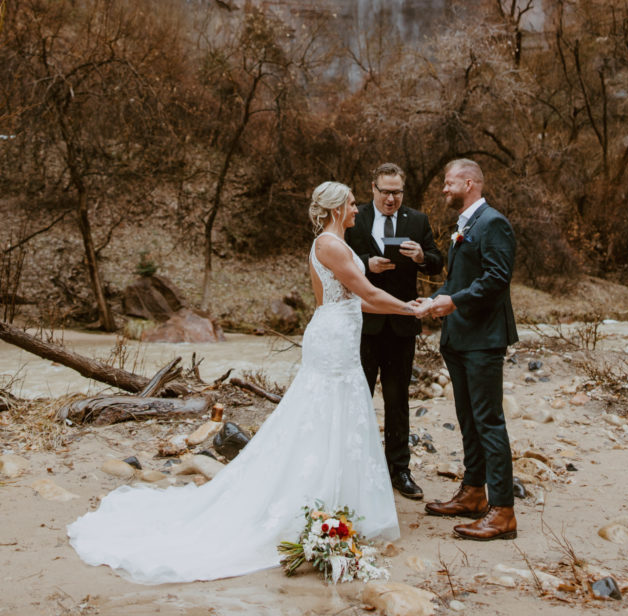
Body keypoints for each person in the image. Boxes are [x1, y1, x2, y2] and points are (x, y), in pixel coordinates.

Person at [68, 181, 431, 583]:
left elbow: (357, 298)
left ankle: (338, 501)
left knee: (342, 415)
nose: (357, 209)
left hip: (342, 332)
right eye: (350, 203)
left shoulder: (338, 244)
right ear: (333, 209)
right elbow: (366, 291)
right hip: (332, 339)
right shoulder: (329, 245)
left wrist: (399, 307)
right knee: (321, 412)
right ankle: (308, 502)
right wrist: (410, 309)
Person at [421, 158, 519, 540]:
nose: (444, 189)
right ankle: (474, 493)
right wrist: (431, 301)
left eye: (449, 183)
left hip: (483, 339)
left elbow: (497, 279)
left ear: (470, 183)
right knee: (467, 417)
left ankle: (503, 511)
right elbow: (457, 281)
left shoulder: (493, 223)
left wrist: (453, 302)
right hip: (458, 338)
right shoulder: (464, 225)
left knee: (489, 421)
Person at [345, 163, 443, 501]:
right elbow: (338, 257)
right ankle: (355, 466)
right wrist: (365, 263)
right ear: (372, 188)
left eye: (397, 192)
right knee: (358, 397)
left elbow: (437, 261)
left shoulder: (417, 220)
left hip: (402, 322)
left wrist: (419, 256)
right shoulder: (354, 216)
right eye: (385, 192)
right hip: (363, 323)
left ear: (404, 191)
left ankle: (399, 470)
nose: (390, 198)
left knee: (399, 400)